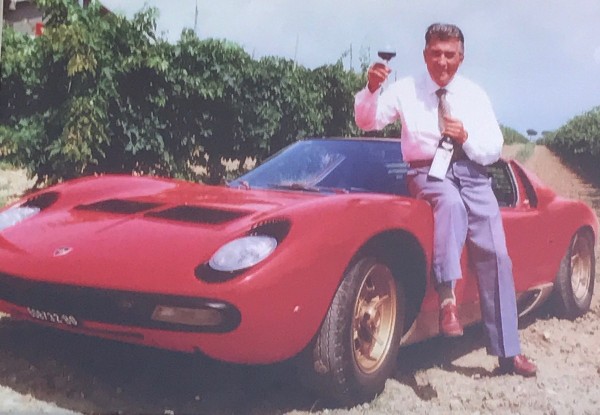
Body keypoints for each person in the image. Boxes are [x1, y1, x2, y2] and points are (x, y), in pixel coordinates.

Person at [354, 23, 536, 377]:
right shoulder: (405, 89)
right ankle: (447, 302)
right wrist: (372, 90)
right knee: (449, 204)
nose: (442, 62)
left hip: (474, 173)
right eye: (435, 53)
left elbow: (494, 147)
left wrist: (465, 136)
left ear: (461, 57)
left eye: (449, 55)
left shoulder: (475, 94)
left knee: (497, 255)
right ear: (425, 55)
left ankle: (508, 353)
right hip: (428, 173)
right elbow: (368, 122)